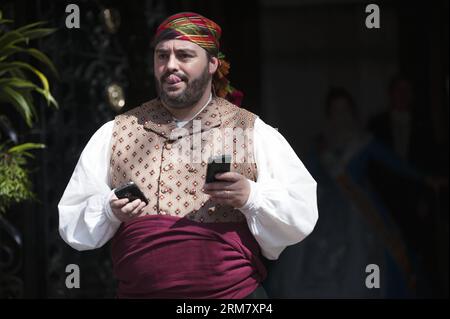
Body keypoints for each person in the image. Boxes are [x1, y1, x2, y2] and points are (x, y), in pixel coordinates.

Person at [57, 12, 318, 299]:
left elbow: (301, 210)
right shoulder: (116, 131)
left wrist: (251, 197)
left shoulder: (251, 130)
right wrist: (109, 209)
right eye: (161, 56)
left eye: (184, 55)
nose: (171, 66)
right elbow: (72, 219)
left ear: (212, 64)